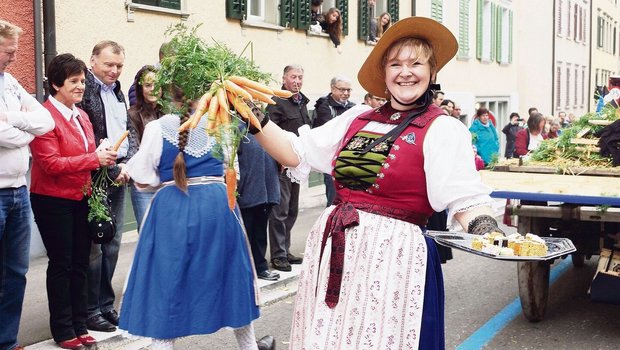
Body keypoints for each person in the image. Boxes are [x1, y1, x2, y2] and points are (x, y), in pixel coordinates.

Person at [253, 16, 501, 349]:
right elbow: (295, 153)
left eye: (416, 63)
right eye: (396, 64)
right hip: (337, 248)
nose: (406, 72)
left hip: (395, 258)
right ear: (384, 73)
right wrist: (253, 117)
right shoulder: (356, 118)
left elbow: (465, 198)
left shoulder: (442, 128)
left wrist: (488, 230)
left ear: (432, 73)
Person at [119, 82, 274, 350]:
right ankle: (249, 347)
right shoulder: (221, 124)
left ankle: (163, 345)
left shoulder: (157, 127)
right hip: (216, 205)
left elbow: (142, 176)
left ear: (170, 96)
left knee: (168, 279)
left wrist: (166, 178)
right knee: (229, 274)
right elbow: (231, 167)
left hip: (172, 208)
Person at [29, 53, 118, 350]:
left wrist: (103, 157)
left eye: (82, 81)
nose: (81, 86)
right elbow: (51, 164)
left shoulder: (81, 115)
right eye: (74, 81)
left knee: (81, 262)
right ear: (56, 84)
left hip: (82, 196)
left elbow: (87, 154)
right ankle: (64, 329)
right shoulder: (44, 116)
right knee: (62, 264)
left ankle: (80, 323)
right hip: (52, 200)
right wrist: (93, 158)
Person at [0, 20, 54, 350]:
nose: (14, 56)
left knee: (16, 273)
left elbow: (45, 122)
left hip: (19, 192)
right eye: (9, 51)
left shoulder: (11, 83)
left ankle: (6, 341)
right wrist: (24, 134)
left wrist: (16, 121)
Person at [78, 40, 137, 332]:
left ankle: (105, 304)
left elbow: (127, 129)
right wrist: (112, 167)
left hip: (119, 173)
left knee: (113, 245)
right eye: (108, 65)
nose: (114, 71)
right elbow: (88, 137)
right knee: (95, 246)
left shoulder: (117, 90)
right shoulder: (84, 89)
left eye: (119, 66)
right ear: (93, 61)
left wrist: (130, 163)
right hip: (96, 175)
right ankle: (90, 310)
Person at [267, 65, 310, 272]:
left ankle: (286, 249)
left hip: (298, 165)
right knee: (280, 211)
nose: (297, 81)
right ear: (284, 78)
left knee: (292, 210)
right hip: (282, 165)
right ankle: (278, 256)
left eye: (300, 77)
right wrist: (279, 158)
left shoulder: (302, 101)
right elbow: (270, 132)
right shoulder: (276, 101)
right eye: (293, 77)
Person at [237, 132, 281, 281]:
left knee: (260, 232)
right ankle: (245, 269)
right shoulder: (237, 128)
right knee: (246, 233)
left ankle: (260, 267)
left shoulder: (263, 128)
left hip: (266, 190)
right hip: (247, 190)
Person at [127, 65, 163, 230]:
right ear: (140, 89)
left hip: (167, 181)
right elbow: (134, 149)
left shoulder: (170, 112)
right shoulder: (132, 114)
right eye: (148, 85)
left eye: (157, 84)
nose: (153, 89)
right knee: (148, 232)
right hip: (144, 185)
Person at [312, 75, 356, 207]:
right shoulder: (324, 107)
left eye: (348, 90)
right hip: (331, 159)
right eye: (342, 90)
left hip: (349, 158)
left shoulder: (353, 107)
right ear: (332, 89)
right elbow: (330, 133)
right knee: (333, 199)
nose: (346, 93)